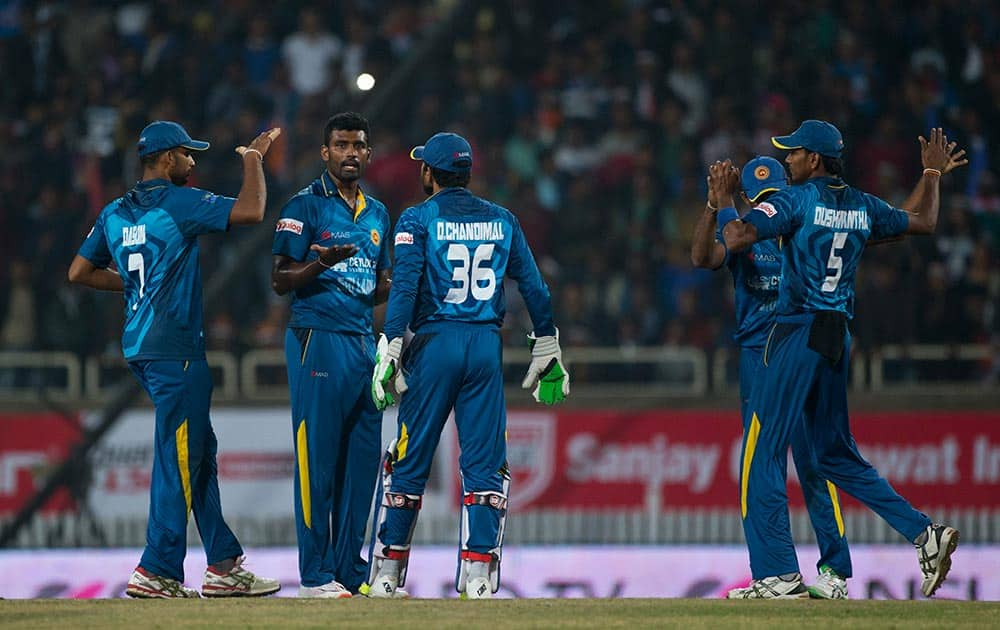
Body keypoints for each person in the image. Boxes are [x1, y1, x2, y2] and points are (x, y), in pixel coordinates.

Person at [718, 121, 967, 599]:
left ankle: (776, 575)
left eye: (793, 154)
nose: (787, 162)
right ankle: (924, 534)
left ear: (814, 159)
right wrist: (931, 174)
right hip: (837, 334)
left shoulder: (795, 200)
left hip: (795, 331)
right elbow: (921, 221)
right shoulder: (859, 204)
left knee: (761, 451)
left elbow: (740, 234)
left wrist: (728, 199)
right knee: (834, 455)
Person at [68, 120, 282, 598]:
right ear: (166, 159)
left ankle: (224, 565)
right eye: (187, 154)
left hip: (141, 347)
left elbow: (79, 270)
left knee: (196, 453)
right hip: (176, 350)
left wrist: (135, 285)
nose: (193, 161)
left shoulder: (115, 212)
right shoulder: (180, 202)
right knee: (180, 457)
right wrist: (254, 159)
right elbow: (252, 210)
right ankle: (158, 569)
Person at [366, 132, 569, 600]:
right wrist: (547, 344)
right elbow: (536, 288)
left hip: (435, 343)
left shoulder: (418, 217)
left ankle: (386, 574)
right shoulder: (503, 219)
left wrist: (391, 344)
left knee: (408, 460)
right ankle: (479, 576)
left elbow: (404, 287)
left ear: (429, 173)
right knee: (485, 465)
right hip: (483, 345)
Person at [691, 156, 853, 599]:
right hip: (757, 357)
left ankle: (833, 572)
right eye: (756, 199)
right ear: (747, 199)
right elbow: (703, 257)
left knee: (813, 460)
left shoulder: (804, 229)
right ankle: (778, 573)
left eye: (772, 196)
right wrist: (713, 206)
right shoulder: (743, 232)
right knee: (762, 464)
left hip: (797, 351)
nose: (766, 205)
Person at [270, 112, 392, 599]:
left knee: (360, 467)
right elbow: (280, 279)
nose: (350, 153)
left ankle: (349, 570)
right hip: (316, 338)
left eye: (358, 145)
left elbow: (378, 285)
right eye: (341, 145)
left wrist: (405, 289)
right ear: (325, 153)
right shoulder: (305, 205)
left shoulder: (379, 214)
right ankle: (316, 575)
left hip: (363, 345)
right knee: (316, 461)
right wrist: (321, 261)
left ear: (368, 152)